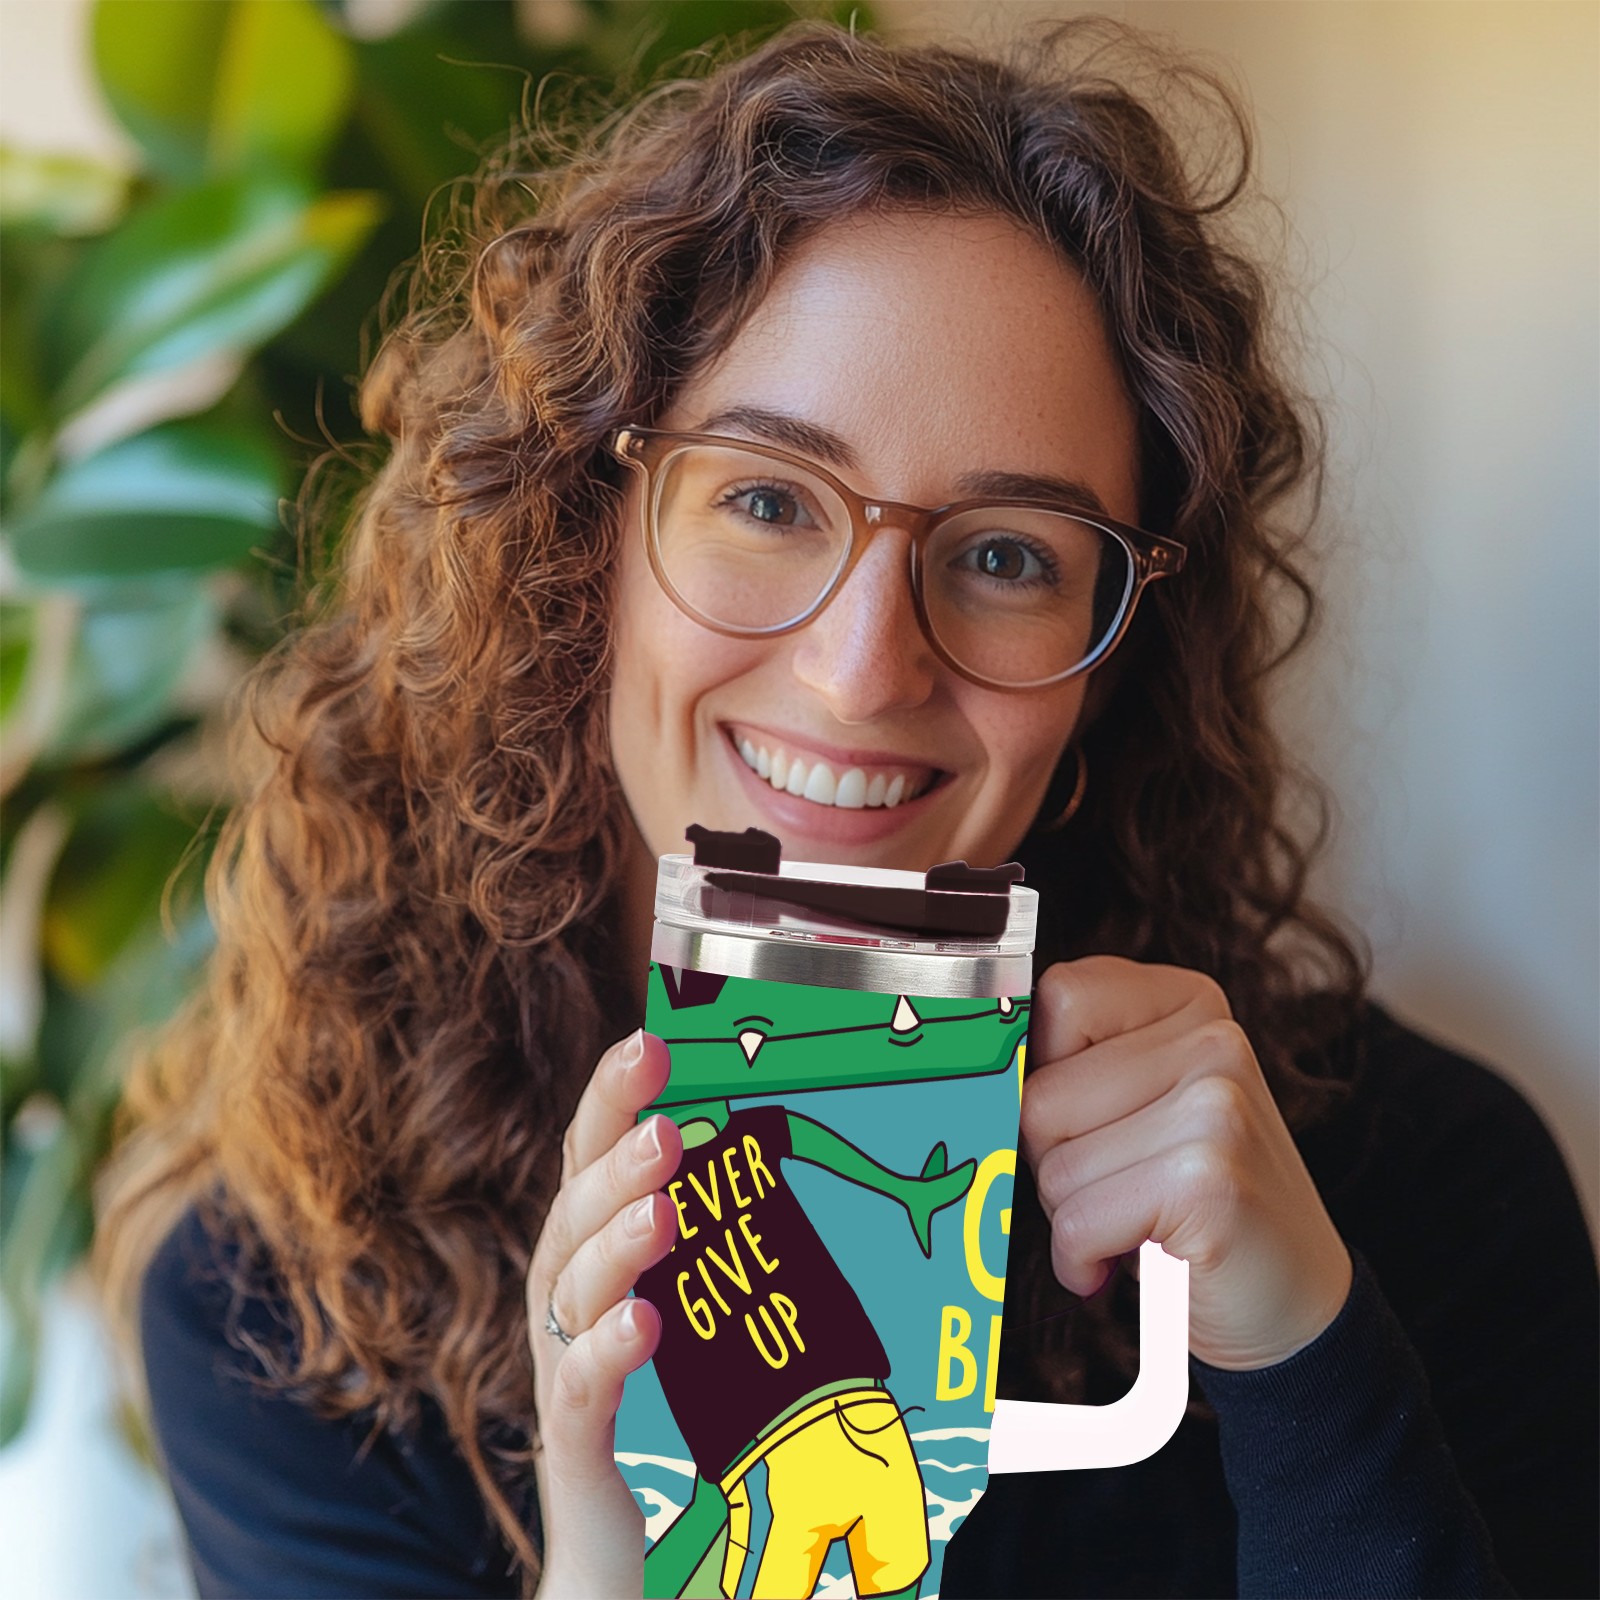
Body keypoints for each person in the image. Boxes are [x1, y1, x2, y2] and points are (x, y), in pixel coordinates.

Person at [96, 18, 1597, 1600]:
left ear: (1113, 663)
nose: (864, 671)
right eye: (765, 499)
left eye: (1007, 554)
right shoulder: (292, 1302)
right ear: (579, 550)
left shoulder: (1420, 1192)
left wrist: (1306, 1368)